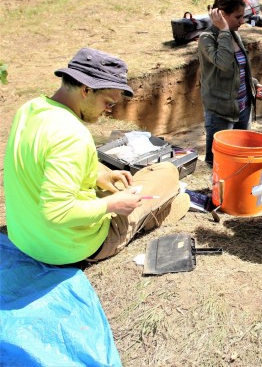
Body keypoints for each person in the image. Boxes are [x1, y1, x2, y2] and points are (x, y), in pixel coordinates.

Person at [3, 47, 190, 266]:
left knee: (121, 185)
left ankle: (155, 209)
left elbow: (41, 160)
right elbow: (55, 213)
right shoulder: (72, 135)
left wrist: (98, 174)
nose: (109, 111)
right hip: (70, 248)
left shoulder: (31, 109)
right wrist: (113, 204)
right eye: (108, 103)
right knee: (167, 172)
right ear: (85, 89)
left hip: (27, 239)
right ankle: (155, 213)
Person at [198, 0, 262, 167]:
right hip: (220, 111)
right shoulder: (207, 39)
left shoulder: (233, 35)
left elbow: (238, 69)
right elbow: (225, 64)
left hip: (243, 107)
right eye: (237, 17)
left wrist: (254, 85)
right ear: (221, 15)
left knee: (240, 155)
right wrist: (224, 31)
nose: (242, 21)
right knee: (217, 161)